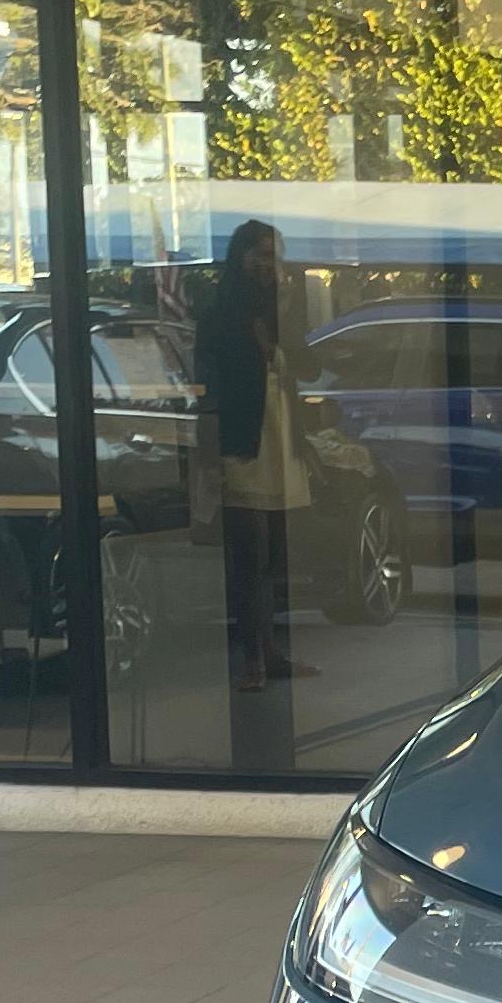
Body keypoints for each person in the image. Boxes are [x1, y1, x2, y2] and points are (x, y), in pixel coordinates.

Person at [200, 219, 313, 696]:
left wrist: (282, 334)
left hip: (280, 437)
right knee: (249, 553)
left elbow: (309, 367)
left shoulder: (283, 307)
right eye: (260, 255)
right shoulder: (221, 310)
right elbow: (208, 375)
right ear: (240, 256)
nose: (268, 266)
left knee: (274, 558)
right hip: (243, 441)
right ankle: (250, 657)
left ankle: (270, 651)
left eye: (275, 256)